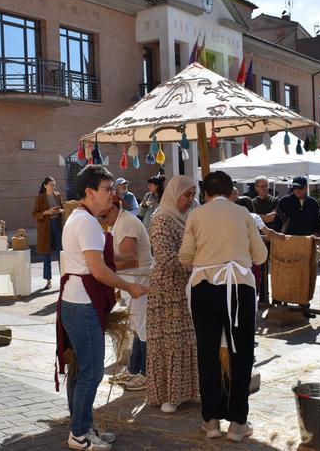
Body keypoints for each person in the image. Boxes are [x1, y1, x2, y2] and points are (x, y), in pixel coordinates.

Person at [55, 165, 147, 450]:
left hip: (76, 301)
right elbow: (98, 270)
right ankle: (79, 434)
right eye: (107, 189)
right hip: (82, 304)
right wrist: (129, 286)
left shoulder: (79, 218)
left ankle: (82, 426)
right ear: (89, 192)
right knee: (92, 372)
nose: (112, 195)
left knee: (80, 369)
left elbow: (99, 265)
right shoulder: (86, 222)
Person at [179, 171, 267, 441]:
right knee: (242, 354)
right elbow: (260, 255)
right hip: (239, 287)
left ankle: (211, 421)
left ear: (205, 194)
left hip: (204, 287)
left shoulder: (196, 215)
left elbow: (185, 257)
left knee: (207, 354)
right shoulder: (243, 213)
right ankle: (238, 424)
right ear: (231, 193)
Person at [146, 175, 199, 414]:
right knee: (170, 343)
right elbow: (165, 258)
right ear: (174, 194)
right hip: (166, 291)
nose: (190, 200)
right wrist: (197, 262)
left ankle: (187, 392)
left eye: (193, 195)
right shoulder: (161, 220)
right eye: (186, 195)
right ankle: (169, 395)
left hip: (184, 289)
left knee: (187, 341)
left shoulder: (186, 218)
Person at [102, 198, 153, 391]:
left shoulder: (126, 223)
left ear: (114, 208)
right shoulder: (117, 223)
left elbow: (130, 260)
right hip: (131, 282)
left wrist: (103, 270)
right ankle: (133, 369)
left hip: (139, 281)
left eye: (105, 215)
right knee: (136, 327)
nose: (104, 219)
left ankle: (146, 375)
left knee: (142, 327)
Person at [276, 176, 320, 317]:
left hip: (307, 244)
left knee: (305, 274)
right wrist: (277, 239)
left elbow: (317, 223)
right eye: (294, 187)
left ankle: (304, 305)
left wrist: (316, 236)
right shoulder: (284, 201)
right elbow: (278, 221)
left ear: (306, 188)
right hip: (289, 243)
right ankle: (282, 302)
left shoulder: (312, 202)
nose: (296, 190)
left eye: (300, 188)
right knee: (287, 272)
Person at [32, 177, 65, 290]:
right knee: (47, 254)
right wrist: (47, 212)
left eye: (54, 184)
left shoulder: (57, 195)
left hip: (57, 226)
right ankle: (48, 281)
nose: (53, 186)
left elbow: (62, 209)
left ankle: (64, 280)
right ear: (45, 185)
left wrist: (60, 211)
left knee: (61, 253)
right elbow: (35, 214)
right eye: (51, 184)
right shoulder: (40, 198)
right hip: (46, 228)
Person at [251, 176, 280, 303]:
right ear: (256, 188)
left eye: (267, 186)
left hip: (273, 240)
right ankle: (263, 297)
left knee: (276, 269)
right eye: (262, 186)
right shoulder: (252, 202)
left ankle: (277, 297)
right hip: (258, 240)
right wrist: (261, 217)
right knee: (261, 269)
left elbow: (272, 217)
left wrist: (256, 218)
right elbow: (251, 218)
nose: (265, 189)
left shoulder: (275, 200)